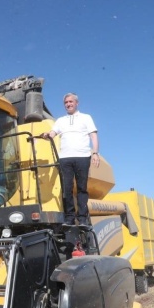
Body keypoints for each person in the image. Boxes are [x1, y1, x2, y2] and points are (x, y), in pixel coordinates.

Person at [40, 93, 99, 226]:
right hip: (65, 158)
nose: (68, 104)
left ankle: (82, 218)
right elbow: (53, 133)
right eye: (66, 102)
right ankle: (70, 217)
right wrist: (47, 135)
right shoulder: (61, 120)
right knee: (67, 188)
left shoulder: (86, 118)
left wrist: (95, 152)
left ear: (76, 103)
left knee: (81, 187)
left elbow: (93, 136)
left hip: (83, 156)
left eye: (71, 102)